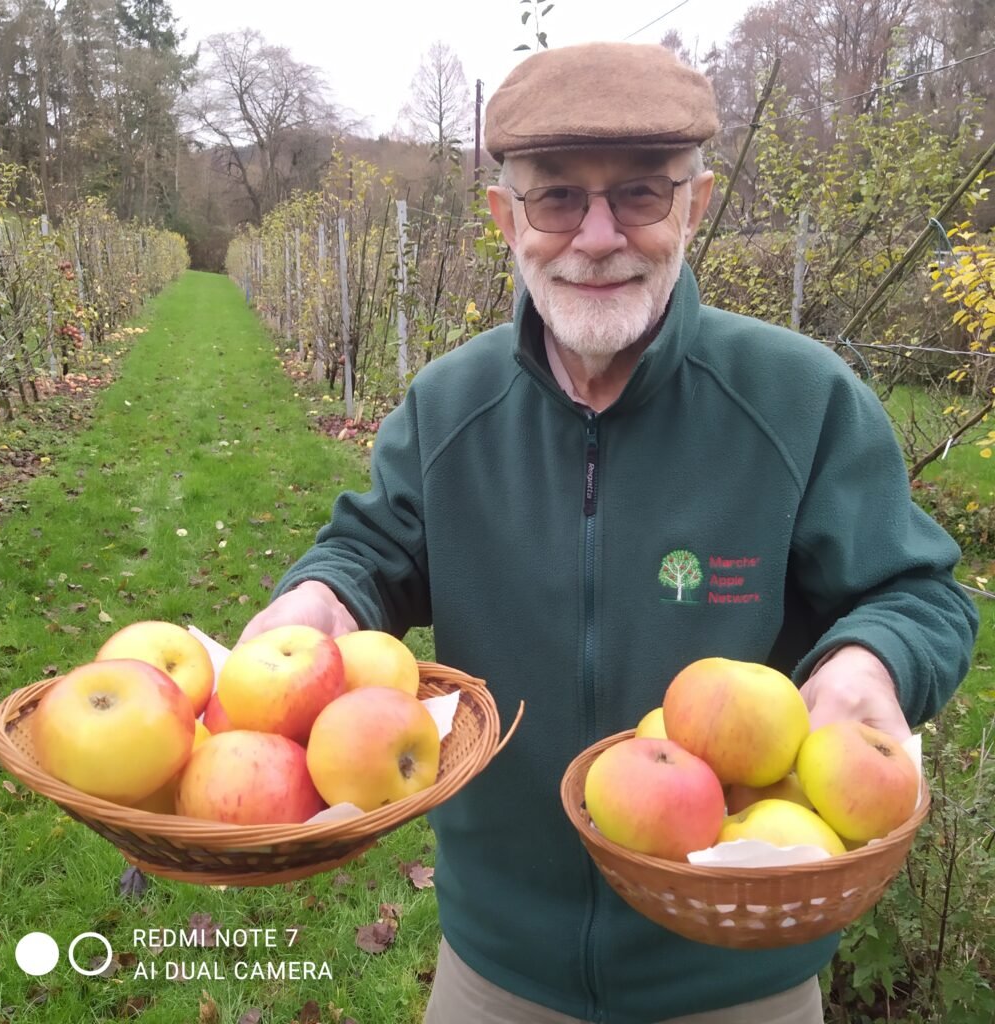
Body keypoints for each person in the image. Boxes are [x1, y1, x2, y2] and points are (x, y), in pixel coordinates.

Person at [238, 42, 979, 1024]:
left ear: (693, 206)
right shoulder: (446, 405)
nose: (596, 237)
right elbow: (372, 551)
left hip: (736, 977)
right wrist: (320, 597)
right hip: (495, 972)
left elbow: (919, 592)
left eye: (638, 193)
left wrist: (870, 661)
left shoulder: (799, 400)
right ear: (504, 217)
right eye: (554, 198)